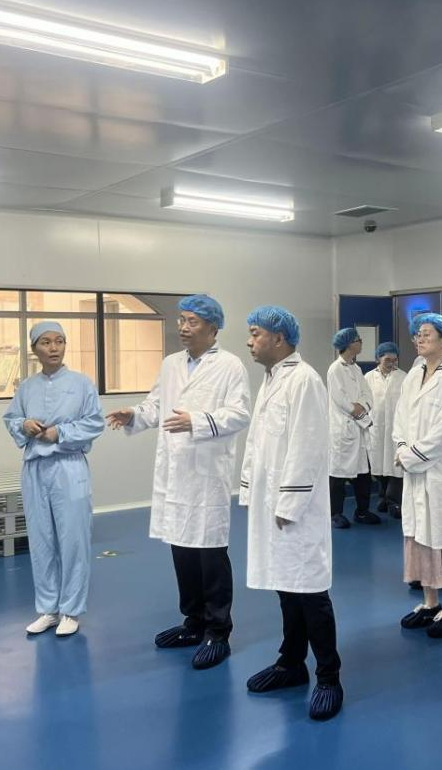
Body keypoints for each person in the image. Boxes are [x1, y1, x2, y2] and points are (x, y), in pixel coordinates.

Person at [105, 294, 250, 671]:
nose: (183, 327)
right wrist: (134, 414)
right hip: (176, 470)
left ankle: (218, 631)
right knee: (182, 549)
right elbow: (157, 405)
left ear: (213, 327)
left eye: (192, 321)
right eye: (182, 320)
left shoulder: (230, 365)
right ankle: (194, 621)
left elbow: (239, 414)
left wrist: (196, 422)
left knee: (210, 552)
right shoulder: (171, 363)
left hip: (207, 471)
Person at [239, 306, 344, 721]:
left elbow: (309, 446)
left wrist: (289, 503)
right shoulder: (272, 379)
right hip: (272, 502)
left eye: (255, 333)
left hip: (296, 506)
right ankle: (291, 663)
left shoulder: (304, 380)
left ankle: (329, 677)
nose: (249, 341)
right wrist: (249, 489)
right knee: (286, 586)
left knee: (310, 591)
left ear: (279, 338)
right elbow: (257, 442)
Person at [3, 321, 104, 637]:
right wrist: (24, 425)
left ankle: (71, 610)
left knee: (73, 540)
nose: (54, 348)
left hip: (69, 467)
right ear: (34, 348)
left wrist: (60, 433)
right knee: (41, 540)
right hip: (35, 468)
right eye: (46, 342)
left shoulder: (82, 384)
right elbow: (11, 418)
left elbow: (94, 423)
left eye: (59, 341)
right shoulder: (26, 387)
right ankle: (48, 609)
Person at [393, 313, 442, 639]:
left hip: (439, 470)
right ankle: (429, 603)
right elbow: (400, 417)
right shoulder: (413, 375)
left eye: (427, 334)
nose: (420, 339)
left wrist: (410, 457)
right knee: (419, 537)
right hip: (414, 472)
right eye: (417, 335)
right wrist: (401, 447)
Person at [327, 326, 378, 529]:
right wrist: (355, 410)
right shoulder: (335, 369)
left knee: (363, 473)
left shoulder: (356, 369)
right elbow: (340, 400)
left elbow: (368, 395)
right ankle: (335, 513)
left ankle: (362, 511)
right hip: (344, 428)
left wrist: (362, 406)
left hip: (358, 428)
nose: (361, 342)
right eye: (358, 340)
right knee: (338, 475)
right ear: (348, 344)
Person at [365, 341, 406, 518]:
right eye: (387, 360)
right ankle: (383, 496)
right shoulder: (368, 377)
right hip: (376, 427)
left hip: (396, 428)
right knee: (378, 465)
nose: (391, 363)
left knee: (395, 465)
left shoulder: (403, 377)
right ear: (378, 359)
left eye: (394, 360)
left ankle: (394, 501)